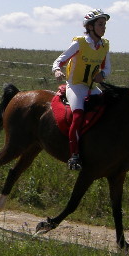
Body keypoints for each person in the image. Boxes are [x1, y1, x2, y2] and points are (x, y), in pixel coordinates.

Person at [51, 9, 111, 170]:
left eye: (104, 25)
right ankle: (74, 156)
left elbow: (108, 68)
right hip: (76, 87)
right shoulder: (79, 43)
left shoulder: (104, 45)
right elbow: (59, 60)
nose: (103, 28)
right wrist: (57, 70)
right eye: (100, 24)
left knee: (111, 109)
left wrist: (102, 75)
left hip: (92, 87)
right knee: (77, 117)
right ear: (90, 27)